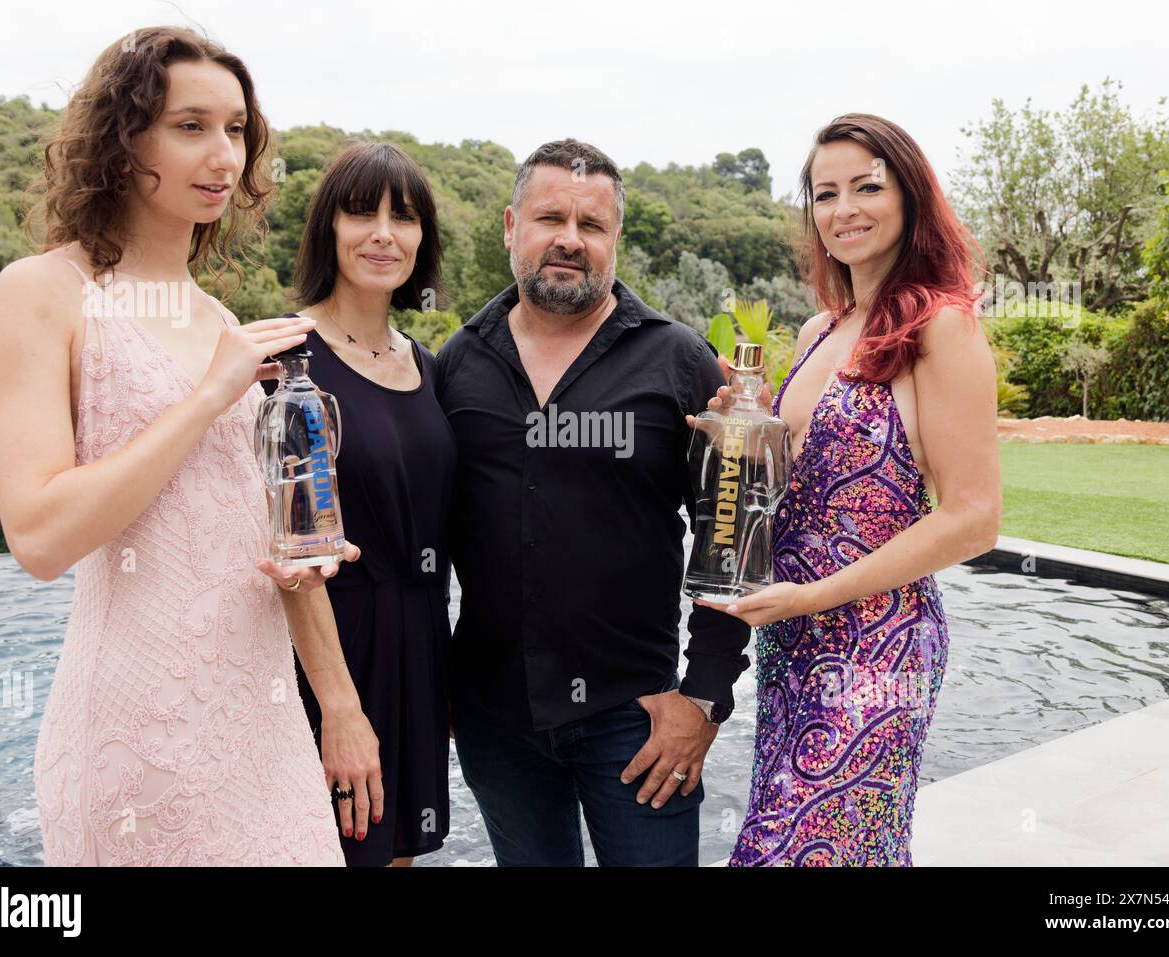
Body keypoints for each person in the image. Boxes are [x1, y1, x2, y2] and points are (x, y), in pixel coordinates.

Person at [0, 26, 368, 865]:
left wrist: (336, 690)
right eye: (190, 125)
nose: (224, 155)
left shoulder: (222, 322)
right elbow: (40, 537)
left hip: (263, 725)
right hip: (135, 730)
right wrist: (207, 399)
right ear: (123, 141)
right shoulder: (41, 292)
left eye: (236, 129)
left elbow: (249, 533)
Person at [694, 113, 1001, 866]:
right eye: (825, 194)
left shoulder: (942, 327)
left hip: (878, 647)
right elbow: (795, 487)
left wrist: (812, 595)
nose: (845, 209)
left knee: (797, 850)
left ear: (911, 198)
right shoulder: (815, 332)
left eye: (868, 186)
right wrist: (739, 444)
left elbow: (973, 518)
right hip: (792, 639)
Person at [435, 139, 752, 867]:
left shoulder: (680, 361)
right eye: (551, 218)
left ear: (615, 240)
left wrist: (702, 697)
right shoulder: (458, 364)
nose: (570, 240)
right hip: (496, 718)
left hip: (639, 720)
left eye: (592, 224)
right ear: (512, 227)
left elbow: (728, 540)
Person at [263, 141, 456, 866]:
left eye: (403, 217)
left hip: (418, 650)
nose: (383, 232)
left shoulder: (428, 365)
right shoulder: (288, 363)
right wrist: (340, 709)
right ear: (326, 229)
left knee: (397, 854)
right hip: (332, 657)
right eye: (361, 212)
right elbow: (294, 558)